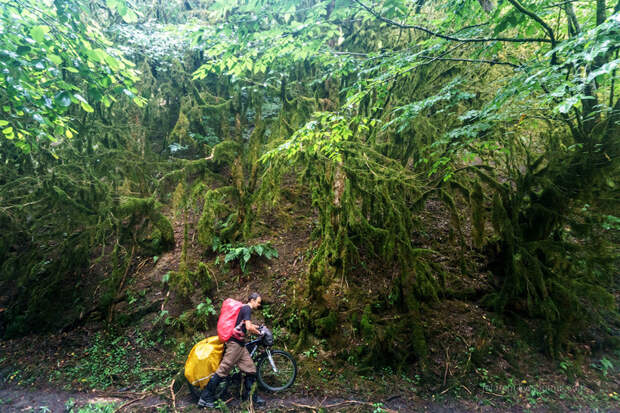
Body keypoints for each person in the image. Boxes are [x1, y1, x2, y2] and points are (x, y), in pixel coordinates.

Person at [198, 293, 265, 408]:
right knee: (223, 370)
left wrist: (259, 327)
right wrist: (260, 333)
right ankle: (205, 397)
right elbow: (248, 327)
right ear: (252, 300)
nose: (259, 305)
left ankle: (250, 398)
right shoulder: (247, 309)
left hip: (240, 345)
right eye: (258, 302)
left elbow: (245, 324)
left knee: (251, 369)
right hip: (235, 345)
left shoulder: (244, 308)